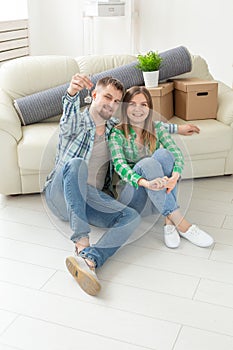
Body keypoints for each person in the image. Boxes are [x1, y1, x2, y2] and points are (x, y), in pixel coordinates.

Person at [44, 74, 202, 296]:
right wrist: (71, 93)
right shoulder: (77, 122)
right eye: (107, 97)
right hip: (61, 193)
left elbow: (144, 122)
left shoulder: (113, 129)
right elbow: (67, 117)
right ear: (94, 95)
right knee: (77, 164)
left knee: (131, 217)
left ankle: (90, 260)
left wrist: (176, 129)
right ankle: (82, 243)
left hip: (91, 199)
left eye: (117, 101)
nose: (112, 104)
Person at [109, 86, 214, 250]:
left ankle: (169, 222)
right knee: (147, 163)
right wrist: (145, 183)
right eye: (132, 104)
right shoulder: (117, 133)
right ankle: (182, 224)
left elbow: (176, 153)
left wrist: (174, 177)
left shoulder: (156, 128)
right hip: (133, 199)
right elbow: (120, 166)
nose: (138, 109)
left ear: (149, 108)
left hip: (155, 202)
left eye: (144, 104)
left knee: (164, 154)